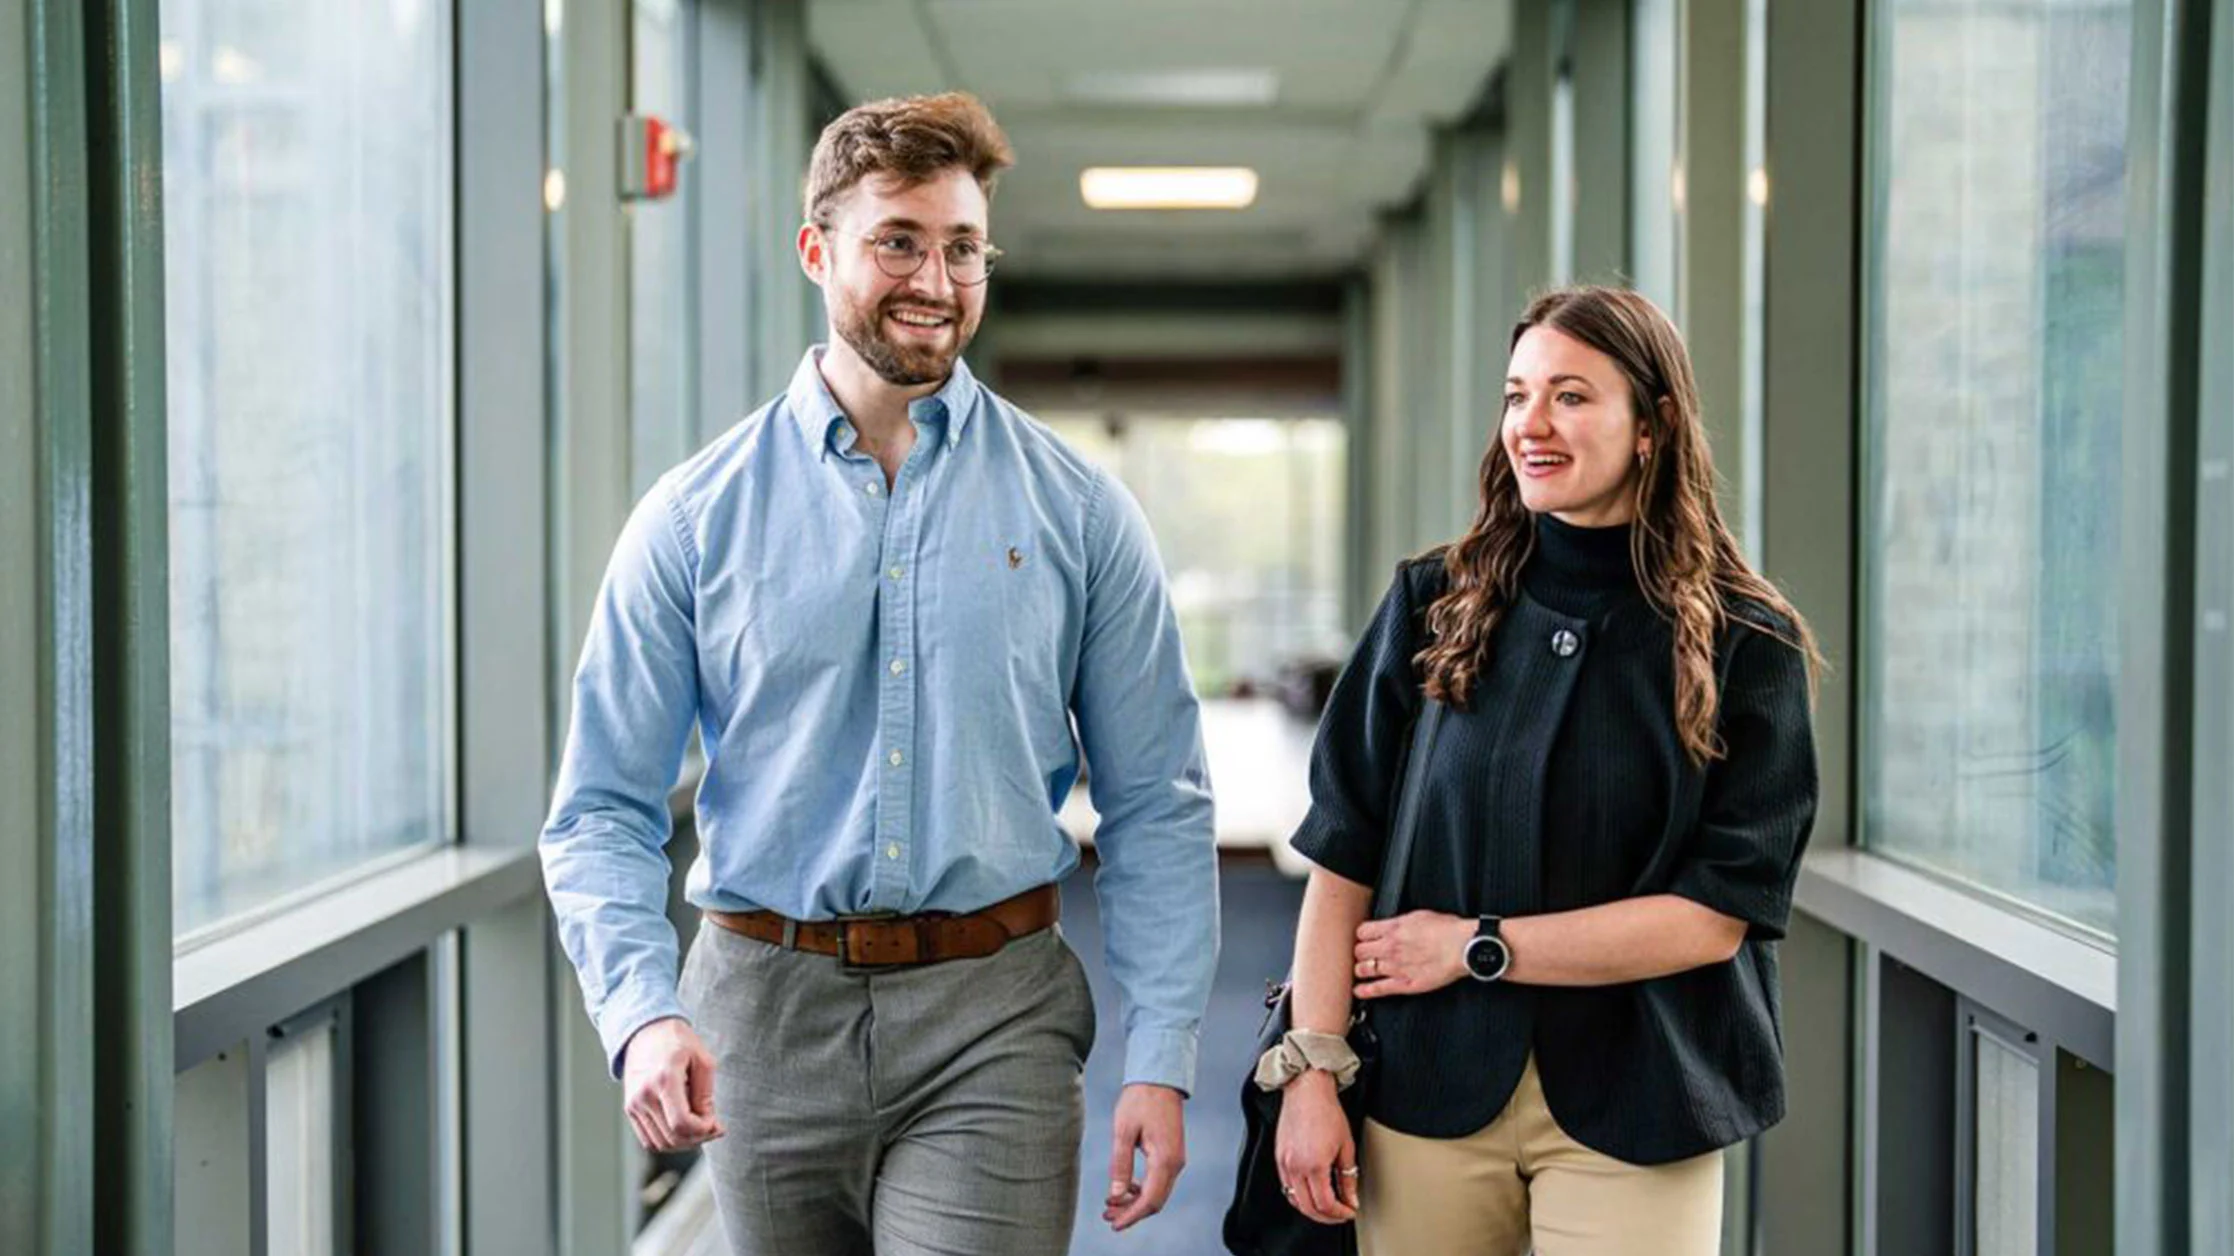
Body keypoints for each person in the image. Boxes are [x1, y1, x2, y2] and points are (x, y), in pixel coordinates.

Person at [539, 91, 1217, 1255]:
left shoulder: (1077, 511)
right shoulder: (695, 519)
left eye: (963, 248)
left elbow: (1157, 801)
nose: (936, 279)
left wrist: (1160, 1057)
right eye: (897, 239)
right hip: (760, 1012)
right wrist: (642, 1011)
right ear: (817, 251)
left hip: (990, 1015)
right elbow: (600, 807)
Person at [1265, 284, 1820, 1255]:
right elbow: (1339, 852)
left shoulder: (1744, 641)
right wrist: (1311, 1068)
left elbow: (1713, 914)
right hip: (1426, 1085)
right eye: (1516, 394)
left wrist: (1475, 944)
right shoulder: (1430, 601)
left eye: (1570, 395)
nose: (1531, 423)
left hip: (1642, 1096)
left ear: (1649, 425)